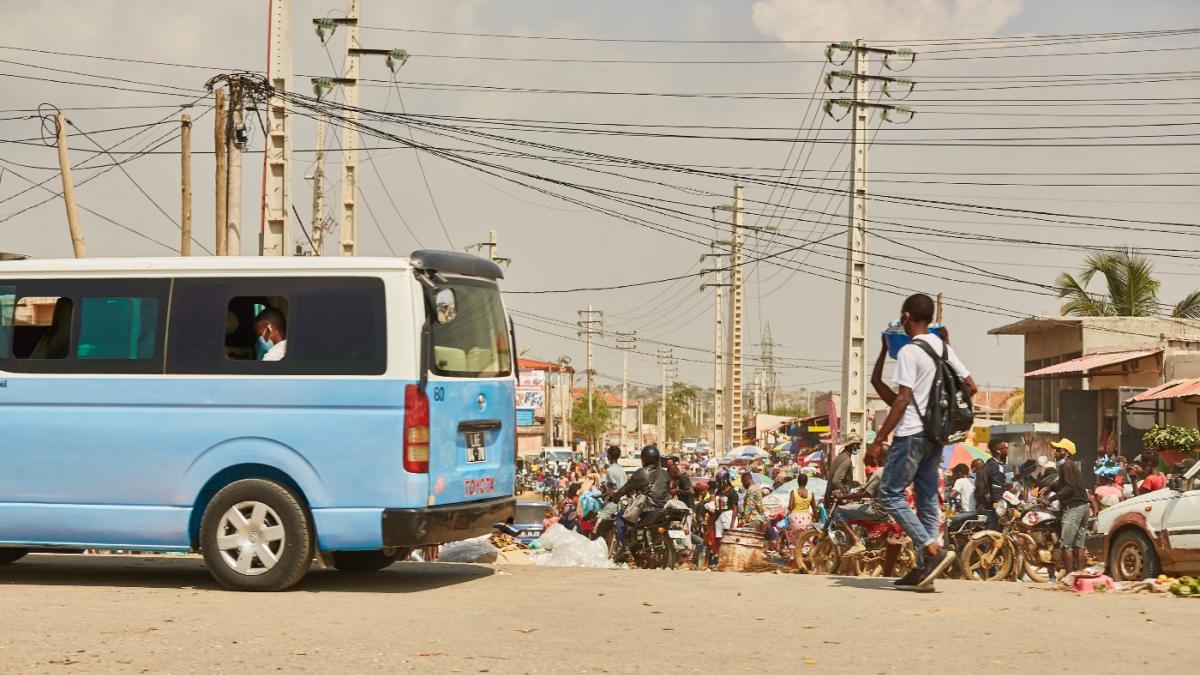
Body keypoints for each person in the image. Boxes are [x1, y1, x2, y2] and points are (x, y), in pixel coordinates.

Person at [866, 292, 978, 591]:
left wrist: (878, 440)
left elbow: (902, 399)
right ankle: (925, 571)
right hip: (935, 436)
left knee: (890, 494)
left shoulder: (908, 353)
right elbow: (971, 386)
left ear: (905, 317)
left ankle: (930, 549)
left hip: (911, 434)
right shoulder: (941, 347)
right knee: (928, 499)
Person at [1050, 438, 1090, 577]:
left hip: (1074, 508)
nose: (1055, 453)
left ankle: (1069, 577)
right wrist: (1048, 488)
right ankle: (1079, 576)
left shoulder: (1066, 465)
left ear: (1066, 452)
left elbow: (1069, 487)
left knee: (1066, 544)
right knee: (1079, 545)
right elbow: (1064, 484)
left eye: (1059, 450)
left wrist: (1052, 498)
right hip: (1084, 507)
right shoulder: (1070, 465)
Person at [975, 439, 1009, 531]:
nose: (1007, 450)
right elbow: (996, 488)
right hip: (994, 506)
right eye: (1004, 448)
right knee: (994, 532)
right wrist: (1000, 508)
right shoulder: (997, 466)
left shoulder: (988, 464)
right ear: (997, 450)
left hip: (985, 505)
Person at [786, 473, 820, 545]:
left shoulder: (794, 492)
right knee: (806, 539)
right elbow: (814, 509)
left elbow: (791, 507)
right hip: (806, 520)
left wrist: (789, 507)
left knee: (794, 538)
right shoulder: (811, 493)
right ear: (806, 482)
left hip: (795, 519)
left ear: (797, 481)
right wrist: (817, 520)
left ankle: (794, 552)